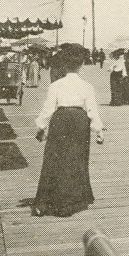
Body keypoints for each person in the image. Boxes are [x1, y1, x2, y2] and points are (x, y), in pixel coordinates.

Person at [32, 44, 104, 217]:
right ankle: (74, 199)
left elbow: (48, 108)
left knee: (55, 158)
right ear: (80, 66)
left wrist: (41, 127)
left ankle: (49, 200)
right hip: (80, 121)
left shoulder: (56, 85)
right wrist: (99, 130)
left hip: (61, 119)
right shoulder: (87, 86)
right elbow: (92, 109)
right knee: (76, 157)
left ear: (64, 65)